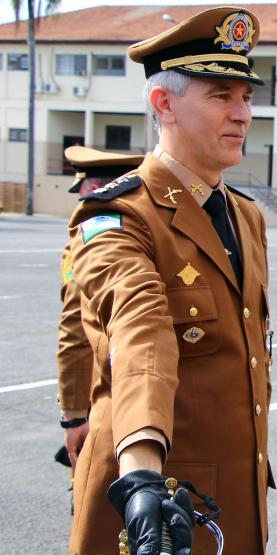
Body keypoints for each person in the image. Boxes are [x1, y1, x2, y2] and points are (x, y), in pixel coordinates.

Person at [66, 7, 274, 554]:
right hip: (158, 505)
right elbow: (142, 336)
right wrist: (139, 472)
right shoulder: (117, 216)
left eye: (246, 97)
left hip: (235, 498)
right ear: (164, 104)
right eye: (219, 96)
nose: (242, 114)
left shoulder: (246, 215)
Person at [57, 147, 145, 472]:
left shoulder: (95, 236)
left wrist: (74, 415)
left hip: (109, 401)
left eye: (83, 189)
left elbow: (74, 329)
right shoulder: (151, 230)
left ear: (96, 189)